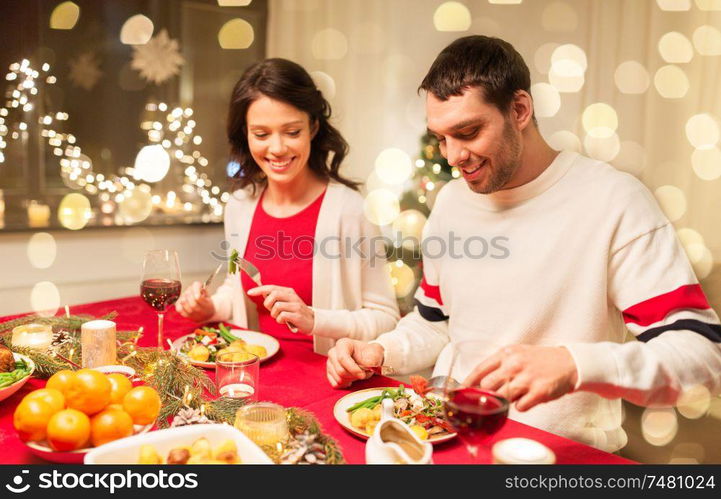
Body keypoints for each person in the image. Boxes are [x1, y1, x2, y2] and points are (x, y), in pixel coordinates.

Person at [326, 36, 721, 451]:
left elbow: (702, 354)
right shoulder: (452, 202)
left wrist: (575, 365)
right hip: (450, 438)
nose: (453, 156)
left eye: (468, 132)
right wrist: (381, 350)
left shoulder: (614, 201)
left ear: (519, 109)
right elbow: (434, 322)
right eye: (442, 138)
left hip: (555, 455)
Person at [176, 58, 399, 355]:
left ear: (313, 128)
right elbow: (238, 290)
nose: (277, 148)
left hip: (326, 378)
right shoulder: (240, 207)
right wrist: (208, 308)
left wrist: (314, 319)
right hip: (254, 374)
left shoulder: (350, 210)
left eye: (292, 132)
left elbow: (386, 319)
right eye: (261, 134)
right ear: (245, 134)